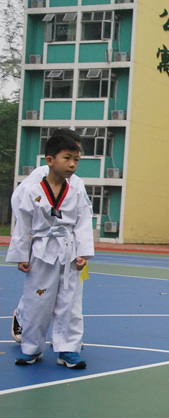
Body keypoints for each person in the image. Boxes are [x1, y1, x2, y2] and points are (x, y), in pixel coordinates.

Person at [6, 131, 94, 369]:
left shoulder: (76, 189)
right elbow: (23, 224)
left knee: (70, 302)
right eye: (68, 158)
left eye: (77, 159)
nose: (73, 164)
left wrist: (83, 253)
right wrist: (21, 255)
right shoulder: (32, 188)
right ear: (50, 159)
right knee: (37, 301)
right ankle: (31, 348)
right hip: (41, 250)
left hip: (68, 250)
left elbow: (83, 222)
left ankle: (68, 350)